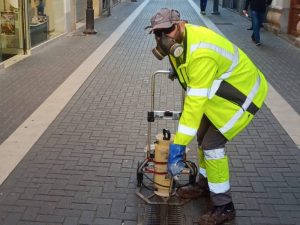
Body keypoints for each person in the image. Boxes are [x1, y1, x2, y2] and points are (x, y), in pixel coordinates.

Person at [146, 8, 268, 225]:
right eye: (158, 33)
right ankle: (204, 185)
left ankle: (224, 206)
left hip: (243, 98)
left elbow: (194, 104)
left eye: (168, 30)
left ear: (181, 24)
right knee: (202, 137)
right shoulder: (182, 41)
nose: (163, 38)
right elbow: (188, 70)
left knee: (212, 146)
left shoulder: (200, 52)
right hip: (220, 97)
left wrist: (179, 145)